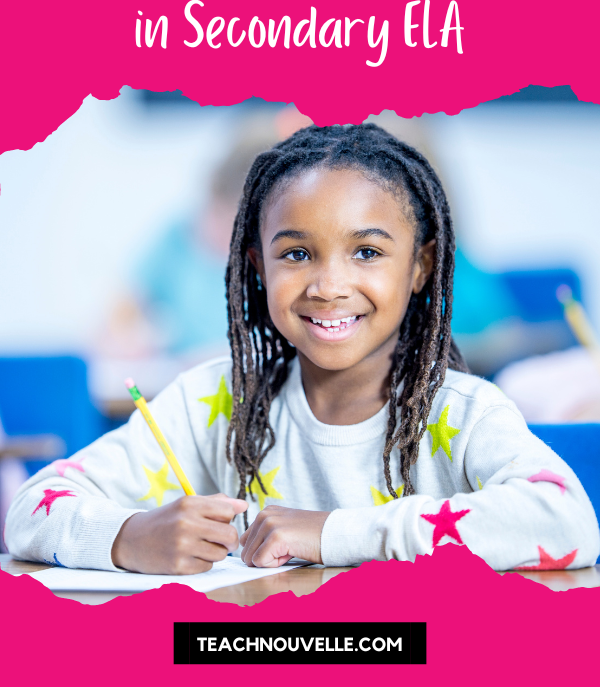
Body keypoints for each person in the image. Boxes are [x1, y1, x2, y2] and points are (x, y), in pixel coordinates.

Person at [5, 125, 599, 573]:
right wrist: (128, 536)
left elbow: (566, 519)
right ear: (257, 267)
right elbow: (29, 508)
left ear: (421, 266)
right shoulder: (212, 402)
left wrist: (334, 533)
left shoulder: (462, 413)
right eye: (296, 254)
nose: (328, 286)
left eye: (366, 252)